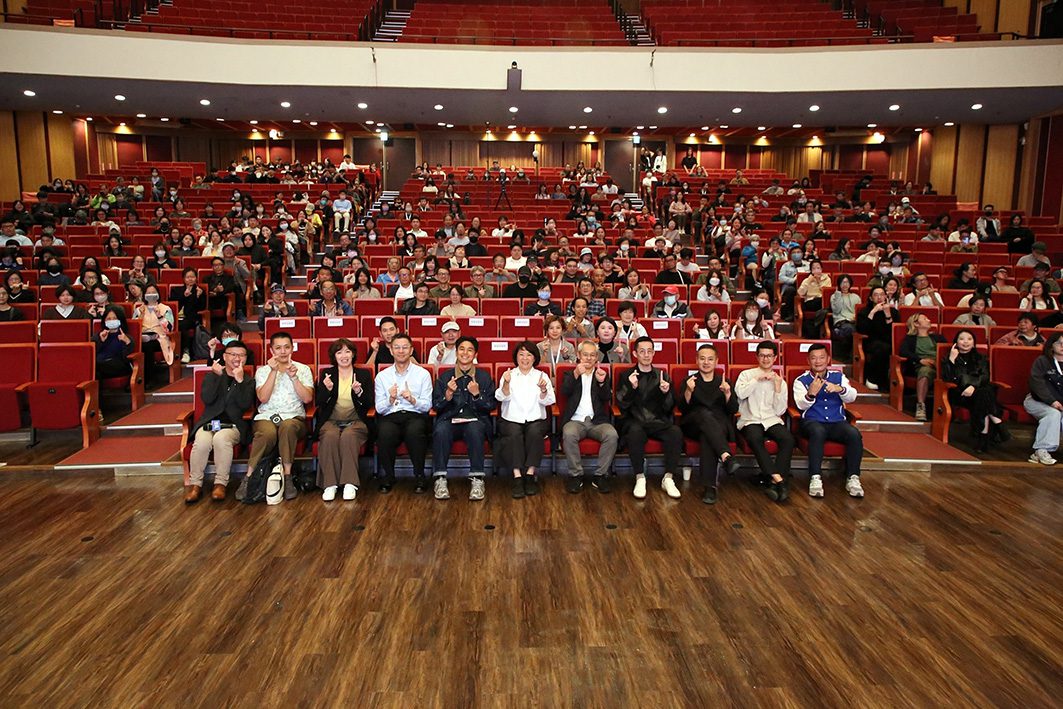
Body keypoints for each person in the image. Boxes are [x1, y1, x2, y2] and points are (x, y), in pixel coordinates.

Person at [235, 332, 313, 502]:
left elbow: (307, 398)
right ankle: (248, 477)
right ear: (271, 350)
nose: (283, 351)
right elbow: (263, 398)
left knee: (288, 427)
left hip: (294, 418)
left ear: (292, 348)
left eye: (286, 347)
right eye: (278, 348)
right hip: (267, 417)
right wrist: (273, 371)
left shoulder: (303, 369)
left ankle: (288, 477)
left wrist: (294, 378)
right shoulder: (263, 371)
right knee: (266, 433)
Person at [185, 341, 255, 503]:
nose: (237, 358)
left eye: (241, 355)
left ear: (246, 358)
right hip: (210, 422)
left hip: (233, 425)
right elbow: (207, 399)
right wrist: (217, 377)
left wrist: (239, 381)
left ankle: (220, 484)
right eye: (233, 354)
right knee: (201, 441)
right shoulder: (212, 376)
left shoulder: (248, 380)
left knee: (221, 439)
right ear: (224, 356)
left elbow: (245, 404)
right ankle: (195, 485)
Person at [616, 337, 684, 499]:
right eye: (642, 351)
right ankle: (640, 477)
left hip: (657, 421)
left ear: (653, 353)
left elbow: (669, 408)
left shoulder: (662, 375)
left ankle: (668, 478)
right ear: (635, 354)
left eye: (649, 351)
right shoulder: (626, 375)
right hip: (635, 420)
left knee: (675, 432)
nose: (646, 355)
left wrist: (665, 393)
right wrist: (632, 388)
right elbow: (622, 404)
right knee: (635, 432)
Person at [793, 344, 864, 499]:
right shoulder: (801, 380)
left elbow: (852, 396)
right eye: (814, 358)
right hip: (811, 422)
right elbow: (800, 405)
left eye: (821, 357)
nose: (818, 361)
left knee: (853, 433)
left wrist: (840, 389)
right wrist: (811, 394)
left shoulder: (839, 377)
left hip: (836, 422)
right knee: (818, 431)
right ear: (808, 360)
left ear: (828, 359)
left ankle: (853, 477)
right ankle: (815, 477)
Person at [431, 336, 496, 501]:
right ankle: (440, 479)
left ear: (475, 354)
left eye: (469, 350)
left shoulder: (484, 377)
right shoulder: (445, 377)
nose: (465, 353)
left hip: (475, 420)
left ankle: (477, 479)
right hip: (450, 420)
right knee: (441, 429)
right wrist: (447, 395)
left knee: (475, 429)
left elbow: (491, 406)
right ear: (456, 352)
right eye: (461, 349)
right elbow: (436, 406)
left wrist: (477, 395)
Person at [677, 344, 740, 505]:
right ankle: (726, 456)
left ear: (716, 361)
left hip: (718, 426)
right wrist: (688, 391)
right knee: (703, 415)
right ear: (697, 360)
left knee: (707, 435)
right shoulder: (689, 381)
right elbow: (682, 409)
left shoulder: (724, 382)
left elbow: (733, 409)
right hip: (693, 424)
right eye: (702, 359)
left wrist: (727, 393)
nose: (706, 362)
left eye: (710, 359)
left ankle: (710, 487)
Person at [734, 341, 794, 502]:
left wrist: (778, 388)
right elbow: (740, 394)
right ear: (757, 356)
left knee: (788, 439)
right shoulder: (746, 375)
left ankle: (772, 481)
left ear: (775, 358)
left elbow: (780, 411)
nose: (765, 359)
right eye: (762, 355)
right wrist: (756, 379)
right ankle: (779, 480)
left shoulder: (779, 381)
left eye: (769, 356)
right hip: (750, 418)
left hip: (771, 419)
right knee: (755, 438)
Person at [314, 338, 373, 502]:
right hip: (331, 420)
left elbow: (369, 403)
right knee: (330, 436)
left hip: (356, 420)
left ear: (353, 354)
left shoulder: (363, 374)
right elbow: (319, 403)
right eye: (339, 352)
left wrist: (359, 392)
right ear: (334, 356)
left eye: (347, 351)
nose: (344, 356)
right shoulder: (327, 374)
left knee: (348, 436)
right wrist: (327, 390)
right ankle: (330, 484)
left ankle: (349, 483)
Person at [495, 341, 555, 499]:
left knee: (535, 433)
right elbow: (501, 397)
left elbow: (549, 400)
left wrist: (543, 390)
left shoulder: (542, 376)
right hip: (511, 418)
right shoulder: (509, 375)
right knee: (513, 433)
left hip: (536, 418)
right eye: (521, 354)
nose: (525, 358)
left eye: (529, 355)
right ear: (516, 357)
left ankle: (529, 474)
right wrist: (506, 383)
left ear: (535, 358)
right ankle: (517, 477)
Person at [373, 333, 432, 493]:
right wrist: (390, 399)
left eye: (405, 347)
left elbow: (427, 406)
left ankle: (419, 476)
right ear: (391, 350)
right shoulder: (382, 376)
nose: (401, 351)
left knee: (415, 432)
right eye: (397, 347)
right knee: (385, 432)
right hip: (391, 415)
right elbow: (379, 408)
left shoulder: (423, 374)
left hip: (415, 414)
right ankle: (388, 476)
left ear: (411, 350)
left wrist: (412, 399)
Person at [560, 340, 618, 494]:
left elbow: (606, 398)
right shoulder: (570, 373)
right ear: (579, 355)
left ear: (597, 357)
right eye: (585, 355)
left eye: (592, 355)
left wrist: (601, 383)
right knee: (569, 434)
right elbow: (564, 392)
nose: (589, 358)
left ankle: (600, 475)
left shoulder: (601, 374)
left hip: (597, 421)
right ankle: (576, 475)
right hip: (575, 420)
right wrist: (576, 374)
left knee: (612, 435)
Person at [940, 329, 1007, 453]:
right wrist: (952, 360)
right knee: (985, 395)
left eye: (969, 339)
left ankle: (983, 439)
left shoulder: (981, 358)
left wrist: (973, 387)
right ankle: (997, 424)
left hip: (977, 393)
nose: (966, 342)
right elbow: (948, 379)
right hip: (959, 394)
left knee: (982, 396)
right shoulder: (949, 358)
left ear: (974, 342)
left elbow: (985, 377)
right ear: (956, 342)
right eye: (962, 339)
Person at [1024, 333, 1063, 465]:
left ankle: (1038, 453)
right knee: (1053, 414)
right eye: (1059, 343)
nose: (1062, 346)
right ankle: (1042, 450)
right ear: (1051, 345)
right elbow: (1037, 384)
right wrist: (1052, 401)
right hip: (1037, 400)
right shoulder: (1042, 361)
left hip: (1060, 402)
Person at [899, 313, 946, 421]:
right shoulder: (910, 339)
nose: (929, 320)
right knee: (925, 372)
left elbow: (946, 351)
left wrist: (937, 362)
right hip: (922, 366)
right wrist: (920, 360)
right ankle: (920, 406)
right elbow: (904, 352)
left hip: (940, 365)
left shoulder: (938, 337)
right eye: (925, 319)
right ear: (916, 324)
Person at [856, 286, 896, 391]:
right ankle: (873, 379)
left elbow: (893, 332)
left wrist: (888, 314)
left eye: (882, 294)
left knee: (887, 347)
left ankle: (885, 382)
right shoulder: (864, 311)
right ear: (871, 298)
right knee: (881, 348)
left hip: (888, 341)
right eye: (876, 295)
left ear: (885, 297)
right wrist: (873, 312)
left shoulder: (893, 312)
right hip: (870, 341)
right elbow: (862, 330)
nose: (879, 297)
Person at [134, 283, 176, 367]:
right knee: (142, 345)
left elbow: (169, 328)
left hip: (160, 338)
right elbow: (134, 329)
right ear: (144, 295)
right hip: (142, 337)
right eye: (148, 293)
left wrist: (159, 316)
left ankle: (150, 374)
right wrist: (141, 316)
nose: (151, 295)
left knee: (148, 346)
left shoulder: (166, 309)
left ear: (158, 294)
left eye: (153, 292)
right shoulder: (138, 310)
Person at [95, 305, 134, 379]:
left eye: (115, 318)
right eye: (108, 319)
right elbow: (91, 353)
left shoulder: (127, 338)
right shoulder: (99, 336)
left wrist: (127, 343)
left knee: (96, 367)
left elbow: (127, 359)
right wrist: (100, 341)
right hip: (100, 366)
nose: (111, 321)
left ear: (120, 320)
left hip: (118, 367)